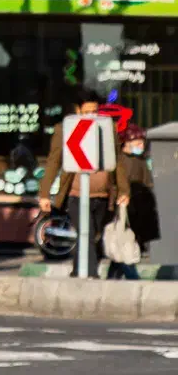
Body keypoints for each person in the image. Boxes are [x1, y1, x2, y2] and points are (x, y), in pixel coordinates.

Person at [38, 93, 128, 278]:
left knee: (93, 235)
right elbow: (53, 162)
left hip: (103, 196)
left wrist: (124, 190)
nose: (91, 116)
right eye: (87, 112)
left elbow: (117, 161)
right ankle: (92, 275)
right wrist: (45, 193)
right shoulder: (65, 129)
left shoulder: (107, 129)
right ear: (78, 110)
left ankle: (78, 271)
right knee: (84, 232)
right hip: (76, 194)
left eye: (95, 111)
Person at [108, 124, 158, 280]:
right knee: (124, 242)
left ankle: (113, 276)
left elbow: (148, 182)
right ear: (127, 142)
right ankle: (132, 276)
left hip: (140, 209)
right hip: (123, 208)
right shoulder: (119, 161)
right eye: (137, 141)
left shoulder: (141, 160)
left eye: (142, 142)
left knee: (125, 243)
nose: (141, 145)